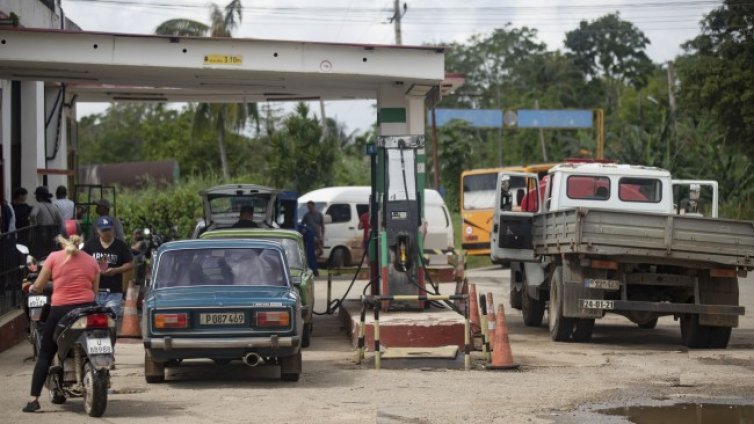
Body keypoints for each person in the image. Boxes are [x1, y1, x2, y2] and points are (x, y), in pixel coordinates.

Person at [21, 234, 100, 413]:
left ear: (60, 239)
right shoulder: (91, 261)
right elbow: (94, 291)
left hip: (61, 311)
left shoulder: (53, 258)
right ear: (81, 238)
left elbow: (39, 286)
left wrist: (32, 288)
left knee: (45, 353)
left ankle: (34, 400)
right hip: (88, 309)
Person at [82, 216, 133, 319]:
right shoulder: (91, 244)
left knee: (110, 321)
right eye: (104, 230)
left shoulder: (120, 245)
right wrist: (95, 271)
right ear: (98, 231)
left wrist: (116, 270)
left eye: (109, 229)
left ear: (113, 229)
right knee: (94, 321)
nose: (107, 233)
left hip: (113, 292)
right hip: (94, 291)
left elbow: (130, 263)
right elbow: (81, 260)